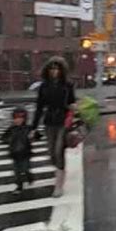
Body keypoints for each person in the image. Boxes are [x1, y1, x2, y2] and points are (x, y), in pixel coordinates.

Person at [31, 56, 76, 198]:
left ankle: (59, 185)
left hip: (63, 121)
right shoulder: (43, 87)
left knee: (58, 151)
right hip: (49, 121)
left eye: (57, 69)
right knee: (51, 153)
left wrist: (75, 109)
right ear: (47, 70)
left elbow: (72, 102)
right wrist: (33, 127)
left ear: (61, 70)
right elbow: (39, 107)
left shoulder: (67, 85)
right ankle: (59, 170)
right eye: (51, 68)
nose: (54, 71)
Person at [1, 107, 34, 195]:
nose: (18, 120)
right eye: (16, 118)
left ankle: (29, 176)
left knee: (25, 169)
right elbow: (3, 138)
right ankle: (19, 186)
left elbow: (38, 136)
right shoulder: (11, 129)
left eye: (21, 118)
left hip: (25, 153)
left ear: (25, 119)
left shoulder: (28, 128)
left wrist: (33, 136)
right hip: (14, 154)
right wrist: (7, 140)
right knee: (17, 172)